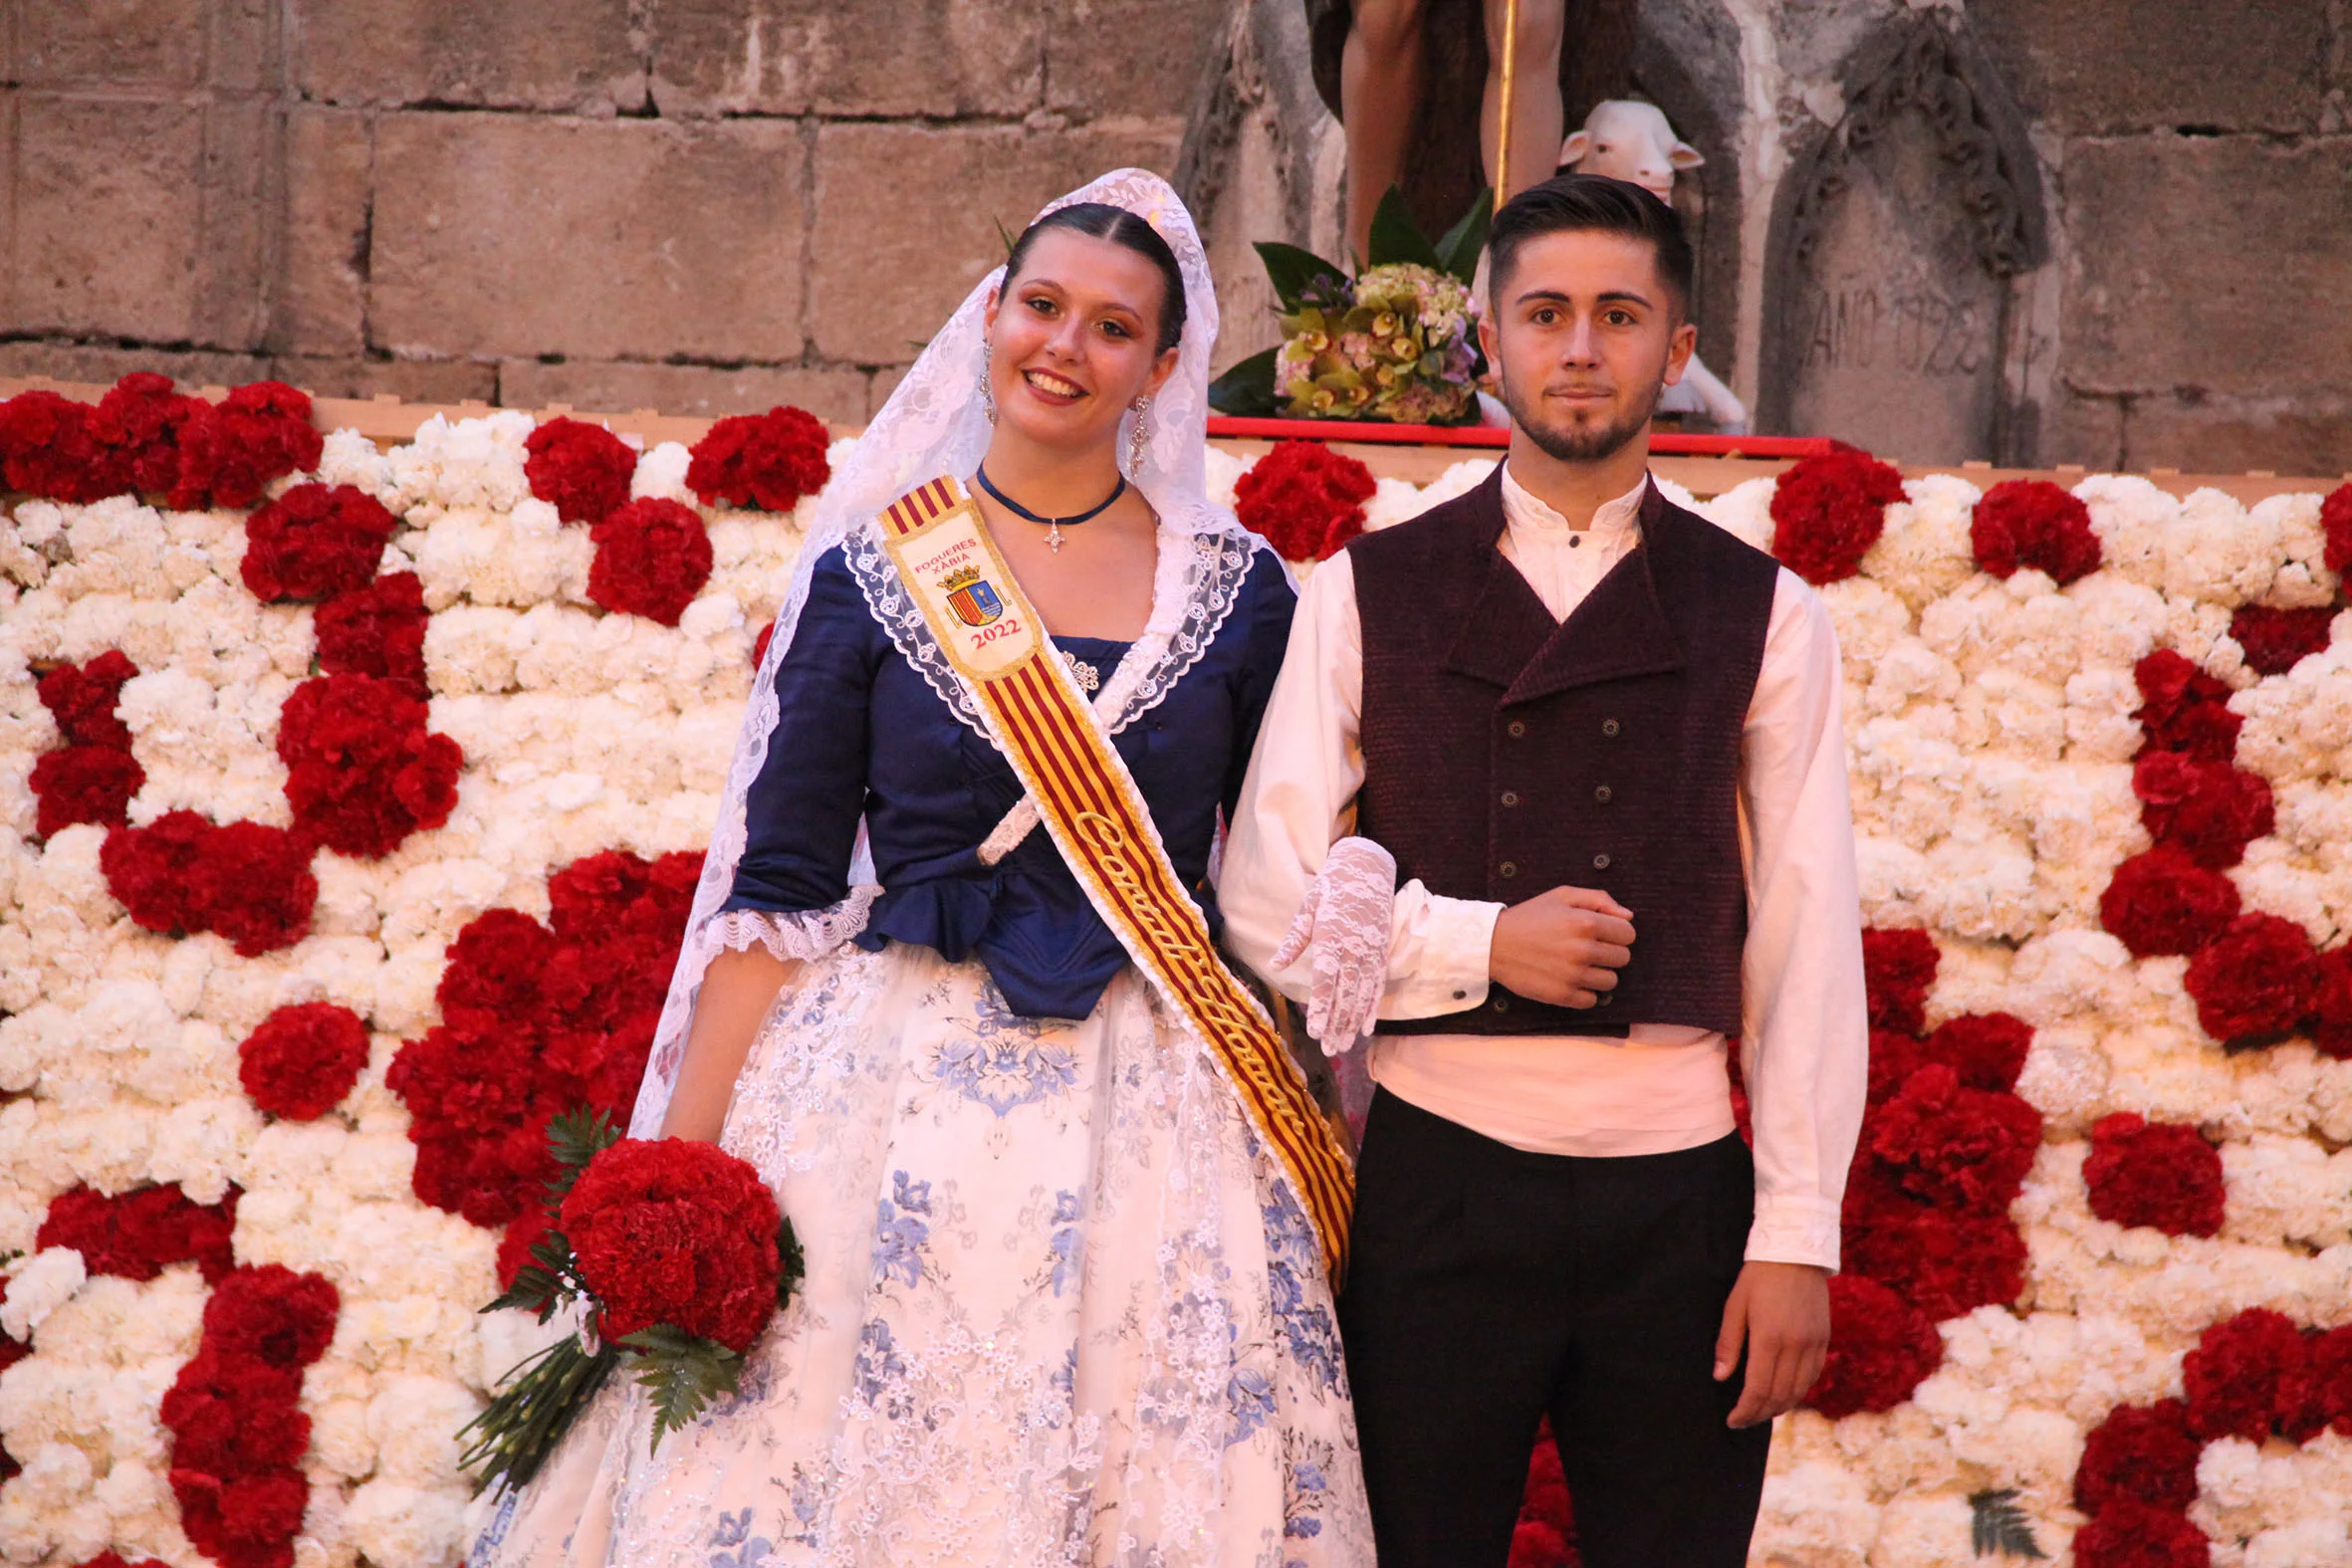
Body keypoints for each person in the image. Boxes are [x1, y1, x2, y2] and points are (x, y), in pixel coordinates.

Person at [469, 170, 1373, 1568]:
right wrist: (676, 1172)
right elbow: (775, 887)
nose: (1065, 346)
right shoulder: (880, 571)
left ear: (1160, 366)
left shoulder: (1238, 592)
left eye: (1113, 327)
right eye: (1043, 306)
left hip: (1159, 1108)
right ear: (991, 318)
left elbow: (1269, 883)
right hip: (884, 1095)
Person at [1223, 171, 1868, 1567]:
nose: (1581, 347)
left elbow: (1807, 928)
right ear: (1488, 341)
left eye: (1619, 315)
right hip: (1436, 1187)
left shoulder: (1765, 611)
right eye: (1547, 312)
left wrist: (1796, 1230)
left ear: (1676, 351)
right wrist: (1473, 944)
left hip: (1680, 1199)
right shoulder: (1365, 588)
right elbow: (1264, 890)